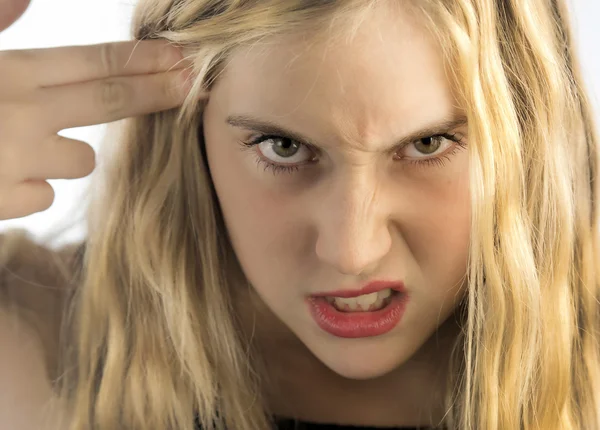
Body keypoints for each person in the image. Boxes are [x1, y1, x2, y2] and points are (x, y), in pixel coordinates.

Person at [0, 0, 598, 429]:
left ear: (528, 134)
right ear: (190, 135)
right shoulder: (39, 347)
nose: (351, 250)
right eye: (282, 147)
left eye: (427, 145)